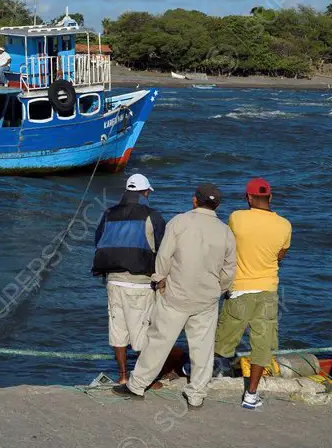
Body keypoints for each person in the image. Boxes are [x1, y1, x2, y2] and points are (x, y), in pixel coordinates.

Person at [113, 183, 236, 409]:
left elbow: (164, 256)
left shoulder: (179, 222)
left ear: (194, 200)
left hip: (175, 294)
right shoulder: (225, 231)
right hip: (206, 299)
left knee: (159, 341)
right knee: (202, 348)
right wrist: (218, 290)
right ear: (217, 205)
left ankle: (137, 385)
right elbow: (229, 270)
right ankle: (197, 394)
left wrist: (159, 280)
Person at [93, 174, 185, 387]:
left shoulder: (108, 214)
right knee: (145, 332)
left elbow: (98, 241)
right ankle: (146, 379)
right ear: (145, 193)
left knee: (118, 331)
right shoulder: (152, 215)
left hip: (113, 281)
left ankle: (123, 375)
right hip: (141, 283)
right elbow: (164, 251)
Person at [212, 177, 291, 410]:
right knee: (262, 345)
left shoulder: (237, 218)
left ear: (248, 197)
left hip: (239, 289)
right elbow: (280, 256)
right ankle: (251, 395)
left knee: (223, 340)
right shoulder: (285, 225)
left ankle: (211, 377)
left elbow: (228, 244)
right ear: (271, 197)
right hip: (268, 290)